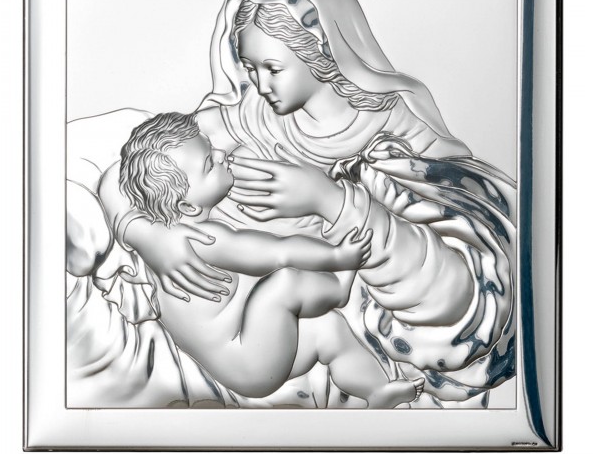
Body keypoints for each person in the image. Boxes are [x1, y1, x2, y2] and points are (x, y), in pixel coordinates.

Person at [86, 0, 515, 407]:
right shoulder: (246, 115)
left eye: (273, 68)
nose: (258, 84)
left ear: (322, 52)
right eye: (249, 67)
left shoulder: (396, 127)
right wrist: (146, 234)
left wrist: (327, 199)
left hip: (321, 308)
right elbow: (127, 173)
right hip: (235, 319)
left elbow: (461, 253)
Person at [118, 109, 423, 407]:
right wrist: (337, 257)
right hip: (252, 360)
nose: (221, 155)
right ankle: (337, 290)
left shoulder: (161, 240)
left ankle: (377, 391)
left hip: (247, 363)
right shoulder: (200, 240)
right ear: (187, 207)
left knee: (328, 329)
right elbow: (279, 252)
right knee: (284, 283)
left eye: (212, 148)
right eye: (210, 163)